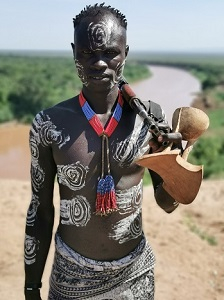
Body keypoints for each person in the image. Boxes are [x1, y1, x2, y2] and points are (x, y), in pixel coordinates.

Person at [24, 3, 181, 299]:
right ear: (74, 52)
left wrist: (174, 165)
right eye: (87, 53)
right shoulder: (49, 125)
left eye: (110, 52)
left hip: (134, 277)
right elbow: (40, 213)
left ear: (126, 52)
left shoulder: (149, 118)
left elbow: (168, 204)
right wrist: (32, 285)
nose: (99, 63)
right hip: (72, 279)